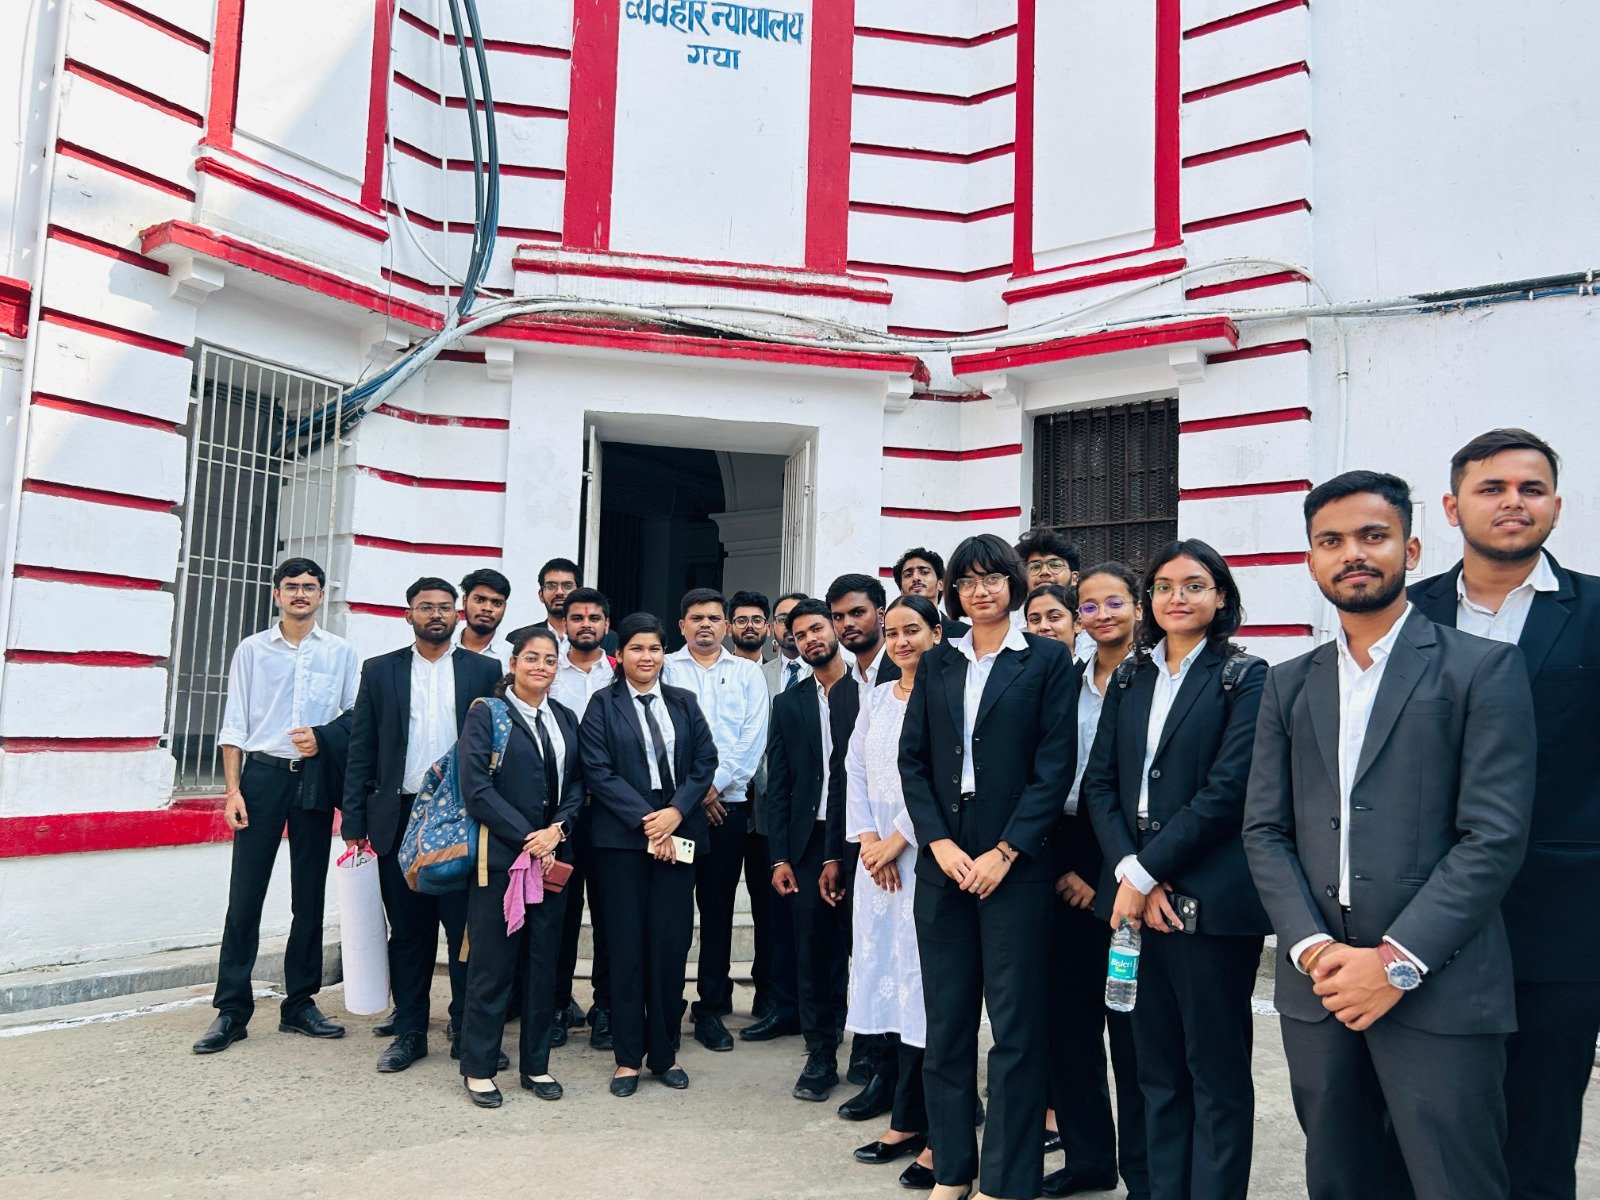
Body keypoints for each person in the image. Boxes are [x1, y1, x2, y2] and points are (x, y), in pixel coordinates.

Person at [1243, 470, 1536, 1200]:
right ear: (1311, 559)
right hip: (1320, 989)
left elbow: (1493, 837)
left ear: (1410, 549)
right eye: (1330, 541)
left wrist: (1395, 962)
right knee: (1339, 1180)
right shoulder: (1288, 682)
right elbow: (1265, 829)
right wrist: (1312, 949)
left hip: (1442, 984)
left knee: (1454, 1183)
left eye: (1372, 536)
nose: (1352, 554)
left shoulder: (1482, 668)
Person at [1409, 430, 1599, 1200]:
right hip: (1420, 917)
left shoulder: (1595, 611)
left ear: (1557, 505)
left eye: (1531, 488)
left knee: (1541, 1136)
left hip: (1560, 920)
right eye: (1492, 488)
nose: (1512, 502)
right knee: (1428, 1129)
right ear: (1453, 507)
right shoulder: (1406, 614)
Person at [1081, 539, 1269, 1200]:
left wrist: (1141, 876)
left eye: (1193, 585)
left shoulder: (1245, 677)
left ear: (1221, 596)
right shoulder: (1130, 677)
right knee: (1154, 1070)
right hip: (1135, 897)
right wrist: (1130, 873)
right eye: (1163, 586)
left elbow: (1227, 792)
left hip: (1210, 899)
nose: (1176, 598)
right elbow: (1100, 783)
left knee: (1214, 1073)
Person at [900, 533, 1076, 1200]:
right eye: (968, 581)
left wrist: (1006, 851)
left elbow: (1054, 767)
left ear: (1014, 584)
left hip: (1016, 859)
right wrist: (938, 844)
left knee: (1015, 1029)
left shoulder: (1046, 661)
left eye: (993, 578)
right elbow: (913, 761)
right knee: (946, 1026)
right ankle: (952, 1170)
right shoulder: (937, 661)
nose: (981, 591)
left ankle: (1005, 1180)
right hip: (944, 856)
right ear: (954, 591)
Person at [193, 558, 359, 1055]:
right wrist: (233, 790)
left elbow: (355, 715)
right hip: (262, 776)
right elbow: (234, 723)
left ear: (322, 595)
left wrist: (323, 737)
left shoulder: (340, 652)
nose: (300, 594)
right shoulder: (252, 649)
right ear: (276, 594)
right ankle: (231, 1011)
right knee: (245, 895)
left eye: (309, 587)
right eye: (291, 586)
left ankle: (300, 1004)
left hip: (313, 778)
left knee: (308, 895)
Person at [342, 577, 504, 1073]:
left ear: (458, 614)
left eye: (445, 607)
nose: (436, 614)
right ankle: (410, 1031)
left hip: (462, 818)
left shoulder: (485, 670)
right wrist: (354, 821)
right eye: (426, 607)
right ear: (408, 614)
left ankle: (465, 1028)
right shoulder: (380, 670)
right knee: (409, 932)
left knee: (465, 931)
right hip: (398, 818)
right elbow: (361, 747)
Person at [1027, 575, 1149, 1200]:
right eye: (1090, 606)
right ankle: (1089, 1158)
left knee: (1132, 1030)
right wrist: (1058, 868)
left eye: (1114, 603)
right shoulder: (1065, 682)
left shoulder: (1153, 679)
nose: (1101, 614)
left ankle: (1145, 1174)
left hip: (1130, 860)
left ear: (1139, 608)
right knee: (1067, 1026)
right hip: (1062, 847)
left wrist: (1102, 879)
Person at [578, 613, 718, 1096]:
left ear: (664, 653)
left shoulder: (683, 701)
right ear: (620, 656)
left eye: (654, 648)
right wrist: (648, 820)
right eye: (637, 648)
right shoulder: (602, 704)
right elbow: (597, 770)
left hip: (677, 834)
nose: (646, 657)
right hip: (622, 841)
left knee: (669, 944)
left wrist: (675, 813)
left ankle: (664, 1053)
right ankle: (627, 1059)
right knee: (626, 947)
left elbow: (705, 761)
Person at [456, 626, 584, 1108]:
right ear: (512, 664)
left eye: (550, 660)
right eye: (531, 658)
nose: (541, 667)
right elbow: (476, 789)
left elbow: (578, 784)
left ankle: (536, 1065)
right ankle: (479, 1068)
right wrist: (531, 839)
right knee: (492, 968)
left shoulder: (564, 717)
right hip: (501, 861)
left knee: (542, 968)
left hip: (553, 861)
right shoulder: (487, 714)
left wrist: (558, 831)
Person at [842, 594, 942, 1187]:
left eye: (914, 630)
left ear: (936, 634)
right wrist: (868, 840)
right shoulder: (877, 698)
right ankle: (905, 1119)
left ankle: (933, 1126)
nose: (903, 641)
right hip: (875, 865)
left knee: (927, 992)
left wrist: (899, 840)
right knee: (891, 990)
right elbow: (854, 769)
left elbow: (939, 779)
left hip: (926, 857)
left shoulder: (946, 695)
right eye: (895, 631)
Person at [663, 588, 769, 1054]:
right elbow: (661, 738)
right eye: (695, 617)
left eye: (713, 617)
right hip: (674, 814)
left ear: (726, 626)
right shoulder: (665, 669)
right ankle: (666, 1002)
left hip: (727, 809)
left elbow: (752, 738)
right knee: (670, 910)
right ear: (682, 625)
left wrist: (714, 785)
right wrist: (692, 794)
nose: (705, 624)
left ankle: (711, 1006)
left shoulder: (747, 673)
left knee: (718, 909)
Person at [766, 598, 860, 1102]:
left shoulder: (869, 689)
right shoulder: (789, 703)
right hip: (806, 841)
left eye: (817, 628)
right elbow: (779, 783)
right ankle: (820, 1052)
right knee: (812, 949)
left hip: (861, 836)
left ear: (835, 629)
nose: (810, 639)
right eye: (799, 634)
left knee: (864, 947)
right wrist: (779, 855)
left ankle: (870, 1050)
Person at [547, 587, 617, 1050]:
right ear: (564, 624)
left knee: (611, 915)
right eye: (577, 617)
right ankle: (556, 1004)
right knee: (560, 915)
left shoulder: (623, 671)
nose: (585, 624)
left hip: (613, 815)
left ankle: (606, 1007)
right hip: (561, 815)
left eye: (594, 617)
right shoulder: (549, 673)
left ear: (606, 625)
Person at [743, 590, 809, 1044]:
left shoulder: (840, 674)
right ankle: (771, 996)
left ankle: (815, 1004)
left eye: (799, 620)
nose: (790, 628)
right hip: (766, 814)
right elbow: (755, 742)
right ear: (773, 628)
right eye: (783, 619)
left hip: (819, 815)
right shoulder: (755, 676)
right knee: (771, 912)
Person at [1016, 527, 1094, 659]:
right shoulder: (1013, 630)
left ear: (1074, 577)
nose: (1044, 572)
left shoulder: (1095, 625)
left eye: (1055, 565)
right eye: (1034, 567)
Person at [828, 572, 897, 689]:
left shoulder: (909, 671)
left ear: (881, 615)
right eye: (838, 617)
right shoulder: (838, 692)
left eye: (857, 612)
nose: (847, 623)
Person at [895, 546, 969, 637]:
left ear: (941, 584)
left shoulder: (965, 634)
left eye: (924, 572)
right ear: (901, 591)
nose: (915, 578)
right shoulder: (890, 635)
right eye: (908, 574)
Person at [454, 568, 513, 668]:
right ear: (464, 601)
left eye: (497, 603)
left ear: (504, 607)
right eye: (479, 600)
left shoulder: (512, 658)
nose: (487, 608)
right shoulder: (443, 650)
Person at [534, 557, 580, 644]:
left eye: (567, 586)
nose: (559, 592)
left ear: (579, 593)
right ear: (541, 595)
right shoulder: (518, 638)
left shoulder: (602, 640)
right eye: (551, 586)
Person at [728, 589, 770, 664]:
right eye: (742, 621)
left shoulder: (776, 671)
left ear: (768, 629)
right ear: (729, 629)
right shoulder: (717, 670)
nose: (750, 625)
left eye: (757, 620)